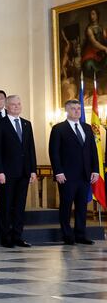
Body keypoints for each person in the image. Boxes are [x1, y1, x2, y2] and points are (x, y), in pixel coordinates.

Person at [48, 100, 99, 245]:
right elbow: (54, 152)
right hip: (67, 175)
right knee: (66, 205)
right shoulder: (59, 129)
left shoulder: (87, 128)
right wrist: (58, 171)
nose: (77, 111)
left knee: (82, 206)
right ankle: (67, 235)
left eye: (79, 108)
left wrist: (95, 169)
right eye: (74, 109)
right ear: (67, 111)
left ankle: (80, 235)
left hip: (85, 175)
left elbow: (92, 151)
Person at [0, 95, 37, 248]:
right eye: (13, 104)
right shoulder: (0, 124)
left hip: (24, 172)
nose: (16, 106)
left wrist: (32, 171)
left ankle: (17, 236)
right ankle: (5, 238)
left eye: (18, 104)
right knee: (6, 206)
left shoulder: (26, 124)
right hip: (7, 173)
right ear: (7, 106)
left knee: (19, 206)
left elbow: (31, 149)